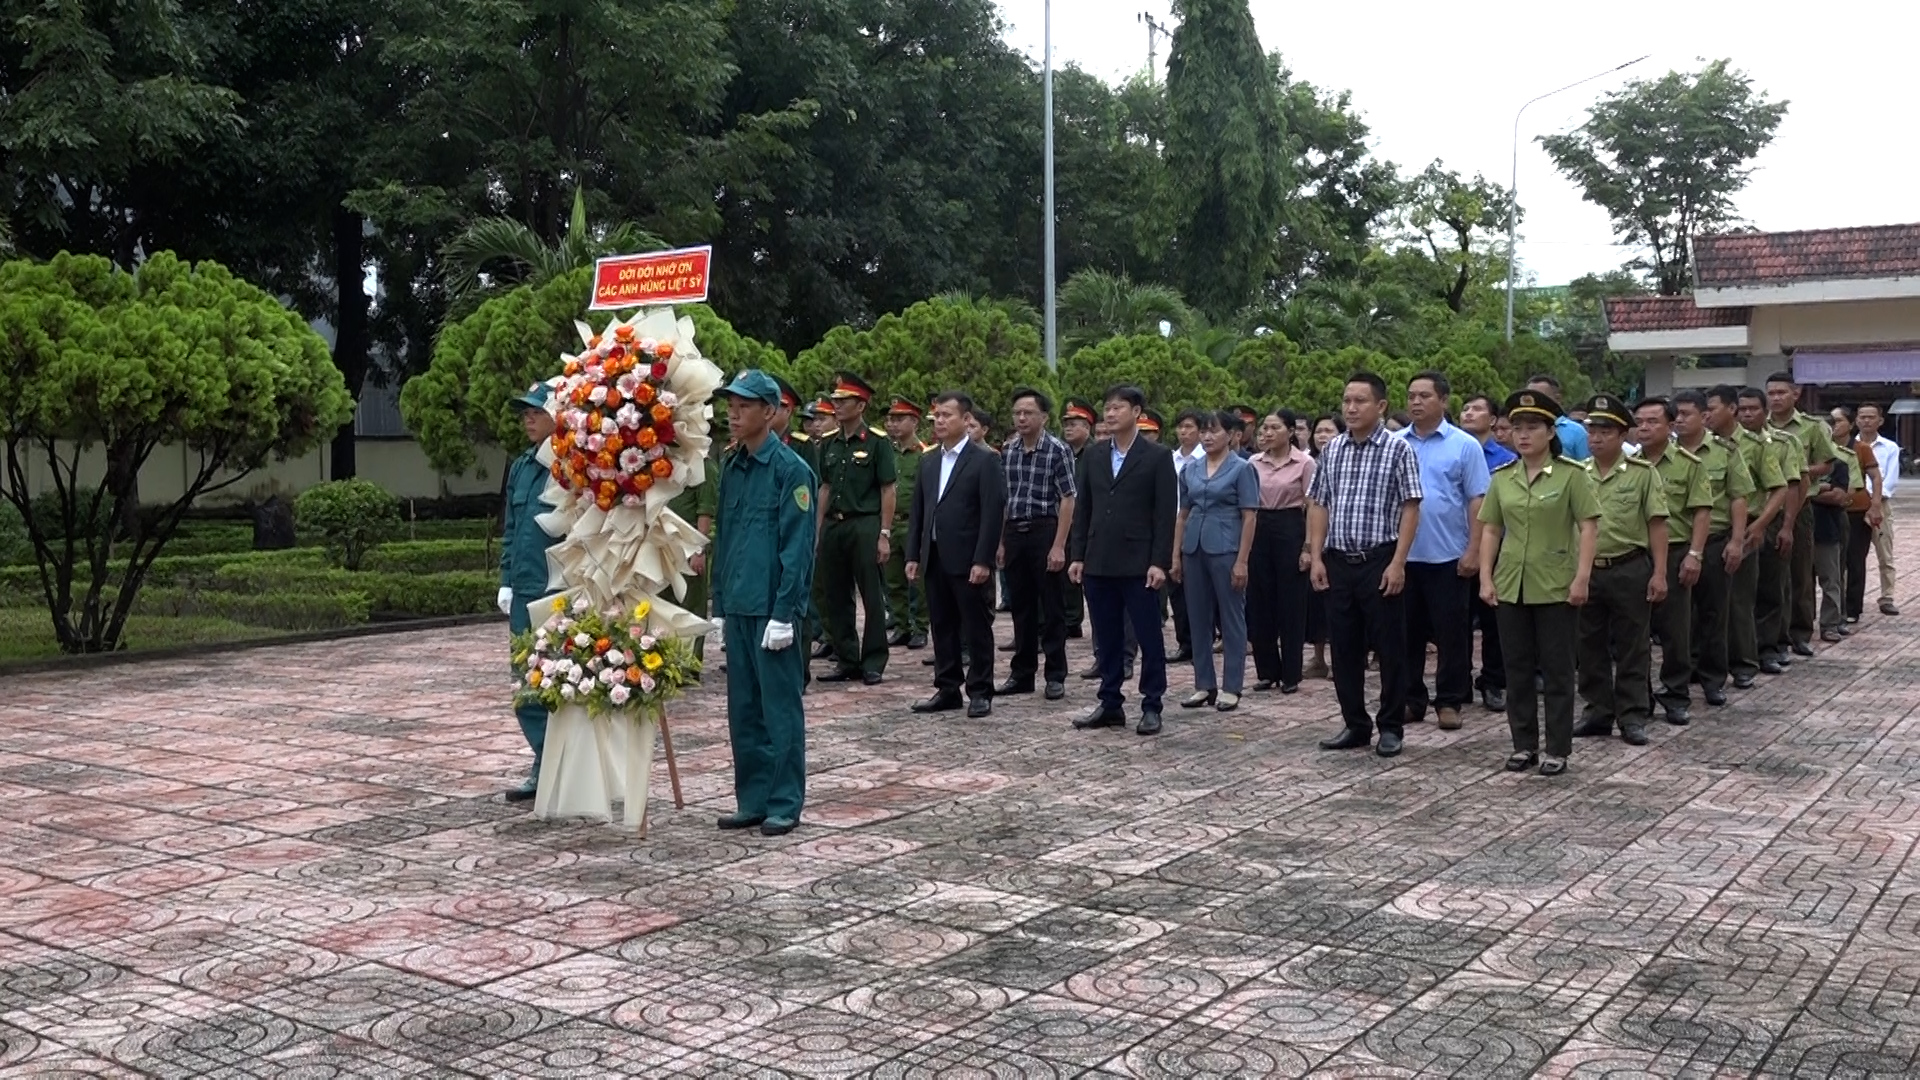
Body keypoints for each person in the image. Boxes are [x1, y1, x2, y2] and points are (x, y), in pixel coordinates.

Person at [711, 370, 818, 837]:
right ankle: (752, 798)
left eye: (745, 405)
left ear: (770, 412)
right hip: (738, 605)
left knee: (779, 711)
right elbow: (726, 538)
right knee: (744, 711)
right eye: (730, 404)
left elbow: (797, 551)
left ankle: (784, 801)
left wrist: (785, 613)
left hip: (772, 611)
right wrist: (718, 604)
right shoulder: (732, 467)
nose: (733, 413)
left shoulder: (792, 471)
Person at [1476, 389, 1599, 776]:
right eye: (1517, 428)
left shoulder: (1572, 475)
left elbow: (1588, 526)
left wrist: (1582, 577)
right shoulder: (1503, 477)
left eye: (1532, 427)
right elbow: (1492, 529)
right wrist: (1485, 576)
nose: (1523, 435)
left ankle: (1557, 748)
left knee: (1558, 669)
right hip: (1512, 582)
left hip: (1556, 583)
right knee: (1517, 668)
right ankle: (1523, 744)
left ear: (1551, 432)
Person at [1308, 372, 1424, 758]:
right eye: (1346, 401)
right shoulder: (1334, 449)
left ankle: (1390, 726)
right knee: (1344, 648)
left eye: (1360, 401)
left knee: (1390, 648)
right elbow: (1320, 503)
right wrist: (1317, 555)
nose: (1351, 408)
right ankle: (1355, 724)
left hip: (1380, 559)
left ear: (1381, 406)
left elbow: (1411, 506)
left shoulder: (1397, 449)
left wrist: (1398, 562)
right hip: (1339, 561)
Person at [1068, 386, 1178, 736]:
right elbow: (1084, 508)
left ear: (1137, 412)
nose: (1110, 414)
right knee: (1107, 636)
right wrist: (1078, 555)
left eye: (1118, 408)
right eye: (1107, 407)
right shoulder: (1096, 456)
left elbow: (1164, 514)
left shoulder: (1157, 456)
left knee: (1148, 636)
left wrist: (1159, 561)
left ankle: (1151, 704)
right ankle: (1110, 702)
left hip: (1139, 561)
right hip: (1099, 560)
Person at [1396, 371, 1491, 731]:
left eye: (1424, 396)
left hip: (1448, 555)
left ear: (1444, 400)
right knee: (1406, 634)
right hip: (1404, 556)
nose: (1416, 402)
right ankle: (1411, 698)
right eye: (1411, 396)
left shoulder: (1464, 445)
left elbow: (1478, 499)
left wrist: (1473, 550)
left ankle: (1449, 700)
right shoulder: (1395, 442)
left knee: (1452, 635)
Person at [1571, 395, 1668, 746]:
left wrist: (1659, 573)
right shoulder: (1576, 473)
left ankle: (1632, 715)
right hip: (1587, 570)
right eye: (1592, 431)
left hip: (1628, 566)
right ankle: (1597, 711)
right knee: (1588, 644)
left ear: (1622, 434)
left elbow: (1657, 524)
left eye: (1605, 431)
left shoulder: (1643, 473)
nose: (1595, 438)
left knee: (1633, 644)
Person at [907, 392, 1008, 718]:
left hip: (968, 559)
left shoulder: (985, 460)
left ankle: (980, 690)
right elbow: (920, 513)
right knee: (942, 624)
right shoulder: (929, 460)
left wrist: (983, 560)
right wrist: (914, 554)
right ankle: (947, 687)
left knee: (976, 627)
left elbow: (992, 513)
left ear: (966, 420)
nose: (939, 421)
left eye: (946, 415)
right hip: (935, 556)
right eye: (936, 415)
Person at [498, 382, 562, 802]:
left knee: (561, 682)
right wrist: (505, 578)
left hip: (558, 590)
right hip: (523, 587)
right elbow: (511, 527)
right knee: (527, 686)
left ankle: (558, 768)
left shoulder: (570, 466)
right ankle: (544, 760)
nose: (528, 419)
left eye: (536, 412)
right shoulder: (521, 466)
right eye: (525, 412)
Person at [1172, 411, 1259, 712]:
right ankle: (1203, 684)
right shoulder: (1191, 469)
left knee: (1232, 617)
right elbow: (1183, 514)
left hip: (1226, 548)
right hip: (1193, 546)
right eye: (1204, 431)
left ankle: (1232, 686)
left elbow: (1249, 517)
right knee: (1197, 618)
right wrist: (1176, 555)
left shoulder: (1242, 469)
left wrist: (1243, 561)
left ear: (1232, 435)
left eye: (1214, 431)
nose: (1207, 437)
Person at [815, 372, 897, 686]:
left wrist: (884, 533)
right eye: (835, 400)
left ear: (860, 405)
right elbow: (824, 486)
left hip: (865, 524)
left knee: (872, 595)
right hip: (834, 525)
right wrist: (818, 528)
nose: (836, 405)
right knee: (835, 594)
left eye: (843, 400)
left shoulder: (876, 442)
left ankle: (873, 660)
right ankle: (846, 658)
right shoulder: (830, 443)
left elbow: (888, 489)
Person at [1635, 397, 1713, 726]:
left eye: (1653, 421)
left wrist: (1695, 554)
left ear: (1669, 427)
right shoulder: (1627, 465)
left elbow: (1702, 512)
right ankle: (1638, 697)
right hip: (1635, 555)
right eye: (1640, 421)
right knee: (1634, 631)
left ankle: (1676, 693)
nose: (1645, 427)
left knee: (1675, 630)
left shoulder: (1688, 464)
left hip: (1677, 552)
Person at [1675, 389, 1754, 708]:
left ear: (1703, 416)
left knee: (1713, 613)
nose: (1679, 420)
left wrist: (1737, 541)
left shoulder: (1724, 451)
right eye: (1676, 415)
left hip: (1715, 542)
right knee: (1676, 619)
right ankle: (1680, 677)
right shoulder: (1662, 454)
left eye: (1686, 414)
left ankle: (1712, 679)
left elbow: (1738, 496)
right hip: (1675, 543)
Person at [998, 387, 1077, 702]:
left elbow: (1069, 498)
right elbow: (1005, 499)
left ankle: (1055, 675)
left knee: (1052, 607)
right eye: (1017, 412)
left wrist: (1059, 545)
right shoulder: (1009, 450)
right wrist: (1001, 541)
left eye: (1028, 412)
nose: (1021, 418)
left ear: (1044, 416)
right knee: (1021, 606)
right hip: (1015, 531)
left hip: (1046, 529)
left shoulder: (1057, 450)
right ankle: (1022, 673)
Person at [1708, 385, 1786, 691]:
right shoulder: (1703, 446)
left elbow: (1778, 487)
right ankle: (1708, 662)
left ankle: (1743, 663)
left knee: (1740, 599)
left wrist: (1760, 525)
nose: (1708, 415)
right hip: (1710, 529)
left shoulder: (1756, 445)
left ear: (1731, 410)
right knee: (1710, 603)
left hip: (1746, 526)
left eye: (1712, 409)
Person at [1764, 372, 1837, 658]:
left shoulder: (1811, 427)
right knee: (1771, 577)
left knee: (1800, 572)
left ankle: (1800, 632)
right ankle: (1775, 635)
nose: (1776, 398)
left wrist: (1800, 470)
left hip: (1801, 505)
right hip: (1768, 507)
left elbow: (1828, 463)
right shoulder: (1761, 428)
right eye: (1771, 393)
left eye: (1782, 392)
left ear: (1796, 394)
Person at [1246, 408, 1315, 693]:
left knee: (1291, 603)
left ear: (1290, 431)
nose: (1267, 433)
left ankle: (1290, 673)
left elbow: (1313, 506)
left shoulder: (1305, 463)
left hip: (1290, 526)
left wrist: (1308, 546)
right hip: (1259, 526)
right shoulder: (1252, 462)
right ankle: (1266, 671)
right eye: (1265, 428)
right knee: (1259, 601)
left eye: (1275, 428)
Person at [1736, 387, 1802, 675]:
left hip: (1769, 518)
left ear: (1765, 412)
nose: (1748, 414)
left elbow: (1791, 485)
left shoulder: (1783, 442)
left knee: (1771, 587)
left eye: (1753, 408)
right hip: (1736, 523)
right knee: (1738, 595)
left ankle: (1769, 648)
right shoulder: (1727, 444)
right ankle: (1740, 651)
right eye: (1742, 409)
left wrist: (1786, 526)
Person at [1460, 393, 1516, 711]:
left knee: (1494, 621)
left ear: (1494, 420)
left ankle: (1494, 681)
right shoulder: (1452, 451)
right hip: (1458, 547)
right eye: (1465, 408)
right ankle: (1459, 681)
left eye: (1477, 409)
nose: (1469, 413)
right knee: (1457, 621)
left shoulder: (1507, 459)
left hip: (1496, 549)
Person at [882, 397, 930, 651]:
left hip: (914, 525)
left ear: (914, 422)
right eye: (891, 419)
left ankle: (921, 626)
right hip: (891, 524)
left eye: (900, 419)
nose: (893, 424)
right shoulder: (887, 452)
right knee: (893, 580)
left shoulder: (924, 455)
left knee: (918, 581)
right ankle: (901, 625)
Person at [1835, 406, 1887, 627]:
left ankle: (1853, 608)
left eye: (1838, 421)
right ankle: (1834, 607)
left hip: (1857, 511)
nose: (1834, 426)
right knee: (1832, 563)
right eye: (1831, 422)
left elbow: (1875, 477)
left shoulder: (1861, 448)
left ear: (1850, 424)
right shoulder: (1823, 448)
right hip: (1831, 510)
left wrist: (1875, 505)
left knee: (1855, 560)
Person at [1304, 414, 1344, 681]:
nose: (1322, 435)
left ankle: (1347, 659)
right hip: (1319, 540)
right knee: (1317, 605)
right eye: (1318, 430)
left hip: (1343, 541)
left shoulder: (1342, 458)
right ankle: (1318, 658)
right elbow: (1313, 505)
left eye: (1328, 430)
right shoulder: (1314, 462)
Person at [1166, 411, 1207, 664]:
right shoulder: (1170, 459)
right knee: (1176, 587)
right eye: (1180, 427)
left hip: (1199, 525)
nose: (1184, 432)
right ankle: (1185, 642)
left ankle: (1204, 640)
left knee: (1199, 588)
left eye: (1189, 427)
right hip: (1172, 524)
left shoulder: (1206, 458)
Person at [1857, 402, 1900, 617]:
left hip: (1880, 505)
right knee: (1852, 555)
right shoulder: (1847, 445)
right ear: (1856, 420)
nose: (1866, 421)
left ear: (1880, 421)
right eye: (1862, 416)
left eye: (1871, 417)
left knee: (1885, 553)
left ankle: (1887, 597)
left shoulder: (1890, 448)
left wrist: (1873, 501)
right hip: (1853, 506)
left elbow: (1889, 480)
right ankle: (1851, 599)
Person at [1059, 399, 1098, 640]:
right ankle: (1071, 620)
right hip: (1067, 522)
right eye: (1066, 424)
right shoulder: (1064, 453)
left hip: (1090, 522)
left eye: (1074, 424)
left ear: (1087, 427)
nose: (1069, 429)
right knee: (1067, 573)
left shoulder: (1095, 453)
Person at [1812, 451, 1853, 642]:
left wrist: (1806, 492)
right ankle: (1799, 627)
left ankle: (1830, 624)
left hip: (1827, 530)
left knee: (1831, 580)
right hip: (1798, 529)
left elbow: (1838, 496)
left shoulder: (1839, 464)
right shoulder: (1796, 460)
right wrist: (1819, 489)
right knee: (1799, 584)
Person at [1525, 374, 1590, 461]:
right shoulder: (1520, 431)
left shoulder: (1577, 432)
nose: (1535, 402)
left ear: (1558, 398)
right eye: (1530, 397)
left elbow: (1587, 466)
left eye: (1541, 397)